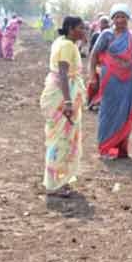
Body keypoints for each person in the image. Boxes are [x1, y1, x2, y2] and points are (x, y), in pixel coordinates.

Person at [88, 4, 132, 159]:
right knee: (108, 111)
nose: (120, 20)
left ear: (128, 19)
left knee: (125, 113)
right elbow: (94, 55)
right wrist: (92, 76)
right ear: (112, 19)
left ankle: (122, 150)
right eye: (117, 17)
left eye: (123, 17)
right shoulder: (106, 35)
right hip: (110, 80)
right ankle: (105, 148)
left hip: (129, 81)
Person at [41, 16, 87, 198]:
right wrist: (68, 102)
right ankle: (53, 184)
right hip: (62, 97)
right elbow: (63, 73)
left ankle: (60, 179)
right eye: (80, 28)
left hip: (59, 94)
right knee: (61, 139)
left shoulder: (62, 42)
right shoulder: (67, 46)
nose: (83, 31)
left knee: (63, 138)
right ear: (70, 29)